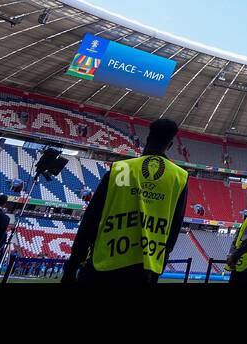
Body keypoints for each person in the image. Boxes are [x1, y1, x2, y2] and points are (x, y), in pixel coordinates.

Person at [62, 117, 189, 284]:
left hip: (104, 265)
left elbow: (91, 219)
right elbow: (173, 232)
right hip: (145, 270)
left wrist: (73, 265)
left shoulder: (121, 169)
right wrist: (159, 267)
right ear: (170, 145)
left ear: (148, 139)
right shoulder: (179, 177)